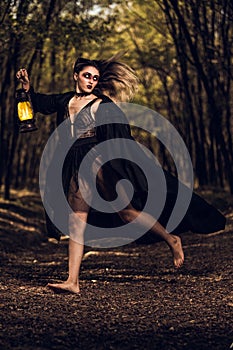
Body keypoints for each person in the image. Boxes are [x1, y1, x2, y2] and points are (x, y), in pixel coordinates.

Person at [16, 57, 226, 294]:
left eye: (95, 78)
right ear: (75, 75)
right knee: (77, 221)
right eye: (86, 76)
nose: (91, 81)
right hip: (76, 164)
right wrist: (26, 89)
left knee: (127, 213)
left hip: (100, 164)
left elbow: (120, 136)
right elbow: (42, 102)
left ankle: (171, 239)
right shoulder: (65, 100)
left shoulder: (102, 104)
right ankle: (72, 281)